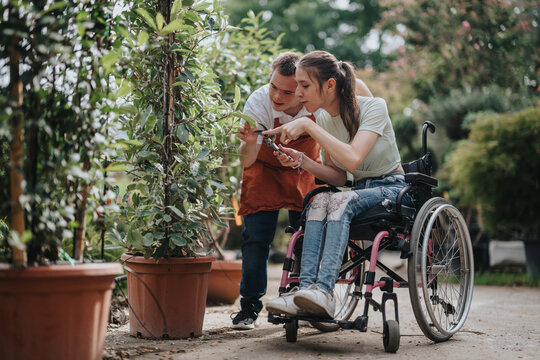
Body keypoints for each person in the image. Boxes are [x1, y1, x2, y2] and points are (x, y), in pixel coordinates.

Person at [264, 50, 410, 319]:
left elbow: (353, 160)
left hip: (392, 188)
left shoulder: (374, 107)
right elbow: (341, 177)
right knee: (319, 198)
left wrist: (308, 128)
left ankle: (325, 292)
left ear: (330, 85)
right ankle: (304, 290)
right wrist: (303, 161)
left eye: (304, 86)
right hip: (356, 191)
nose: (297, 94)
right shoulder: (322, 119)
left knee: (340, 199)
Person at [233, 52, 372, 329]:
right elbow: (246, 160)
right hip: (264, 170)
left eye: (287, 91)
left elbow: (358, 92)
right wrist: (249, 141)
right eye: (273, 87)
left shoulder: (317, 102)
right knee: (256, 240)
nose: (276, 96)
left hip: (305, 167)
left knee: (309, 234)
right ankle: (249, 306)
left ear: (302, 88)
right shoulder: (259, 103)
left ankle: (302, 299)